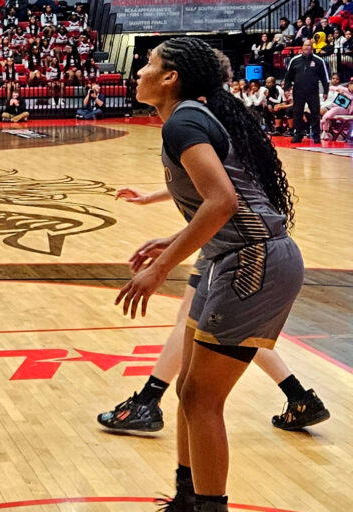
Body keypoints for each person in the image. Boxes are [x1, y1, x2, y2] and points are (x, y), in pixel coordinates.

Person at [116, 37, 305, 512]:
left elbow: (224, 202)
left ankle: (207, 507)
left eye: (150, 63)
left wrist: (162, 267)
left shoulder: (184, 121)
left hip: (255, 260)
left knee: (201, 397)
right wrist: (173, 241)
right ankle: (185, 499)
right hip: (235, 255)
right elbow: (228, 196)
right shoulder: (190, 118)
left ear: (170, 77)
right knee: (188, 389)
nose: (140, 70)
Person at [100, 184, 328, 438]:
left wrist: (171, 245)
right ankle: (299, 396)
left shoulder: (212, 148)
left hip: (233, 244)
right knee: (230, 331)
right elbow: (201, 178)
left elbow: (220, 196)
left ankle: (147, 401)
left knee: (196, 322)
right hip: (230, 239)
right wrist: (154, 197)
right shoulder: (225, 153)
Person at [283, 40, 330, 144]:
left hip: (312, 91)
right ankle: (298, 135)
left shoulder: (319, 60)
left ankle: (316, 135)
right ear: (302, 47)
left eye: (309, 45)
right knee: (297, 113)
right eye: (306, 45)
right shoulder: (294, 60)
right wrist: (287, 89)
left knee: (315, 114)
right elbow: (288, 76)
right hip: (298, 91)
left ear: (312, 47)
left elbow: (324, 77)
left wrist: (326, 91)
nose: (308, 47)